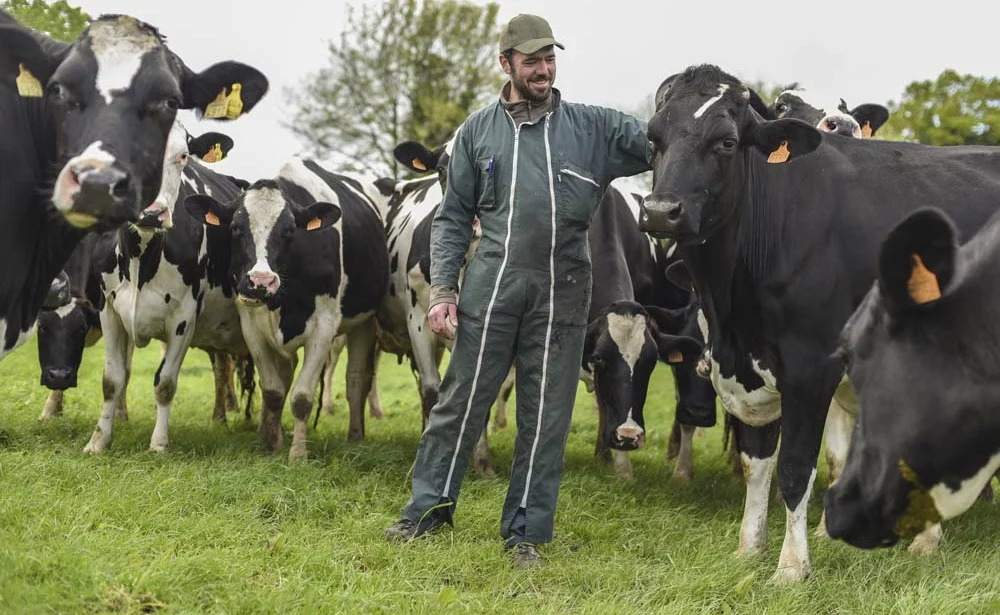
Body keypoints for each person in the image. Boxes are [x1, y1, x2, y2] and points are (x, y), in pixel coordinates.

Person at [384, 13, 651, 568]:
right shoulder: (477, 131)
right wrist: (442, 292)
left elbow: (663, 143)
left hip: (564, 293)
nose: (544, 69)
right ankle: (426, 512)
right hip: (493, 286)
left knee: (547, 414)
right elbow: (454, 216)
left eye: (550, 58)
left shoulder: (592, 128)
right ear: (505, 63)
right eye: (532, 60)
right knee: (459, 403)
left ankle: (525, 532)